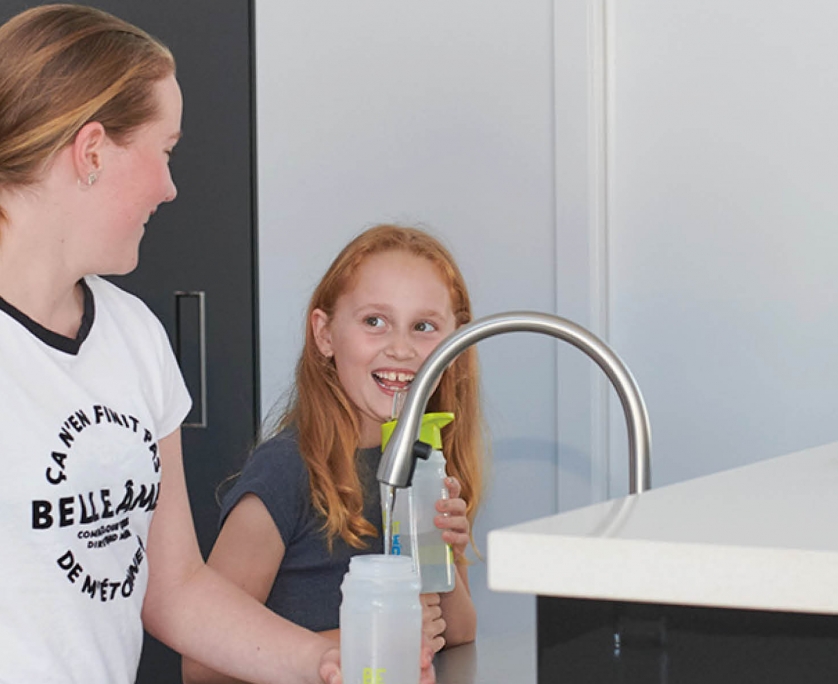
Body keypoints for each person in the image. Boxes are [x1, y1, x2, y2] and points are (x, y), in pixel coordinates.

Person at [0, 5, 435, 683]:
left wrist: (325, 660)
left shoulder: (133, 335)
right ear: (92, 152)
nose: (171, 188)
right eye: (165, 151)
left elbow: (174, 588)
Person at [182, 224, 485, 684]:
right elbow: (203, 663)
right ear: (324, 334)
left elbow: (457, 632)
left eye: (423, 327)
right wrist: (373, 638)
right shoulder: (286, 471)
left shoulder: (422, 462)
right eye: (374, 322)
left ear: (455, 345)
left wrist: (443, 549)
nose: (401, 348)